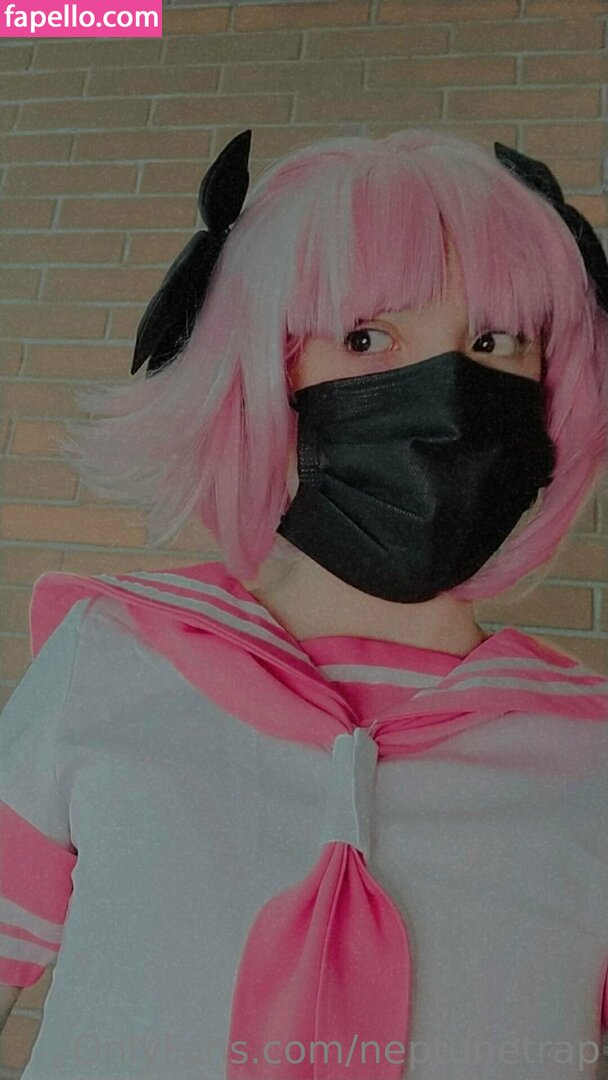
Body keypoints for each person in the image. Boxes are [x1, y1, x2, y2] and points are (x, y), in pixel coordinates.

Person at [1, 127, 608, 1080]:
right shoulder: (109, 661)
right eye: (366, 337)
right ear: (271, 368)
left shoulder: (591, 757)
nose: (446, 403)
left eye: (495, 342)